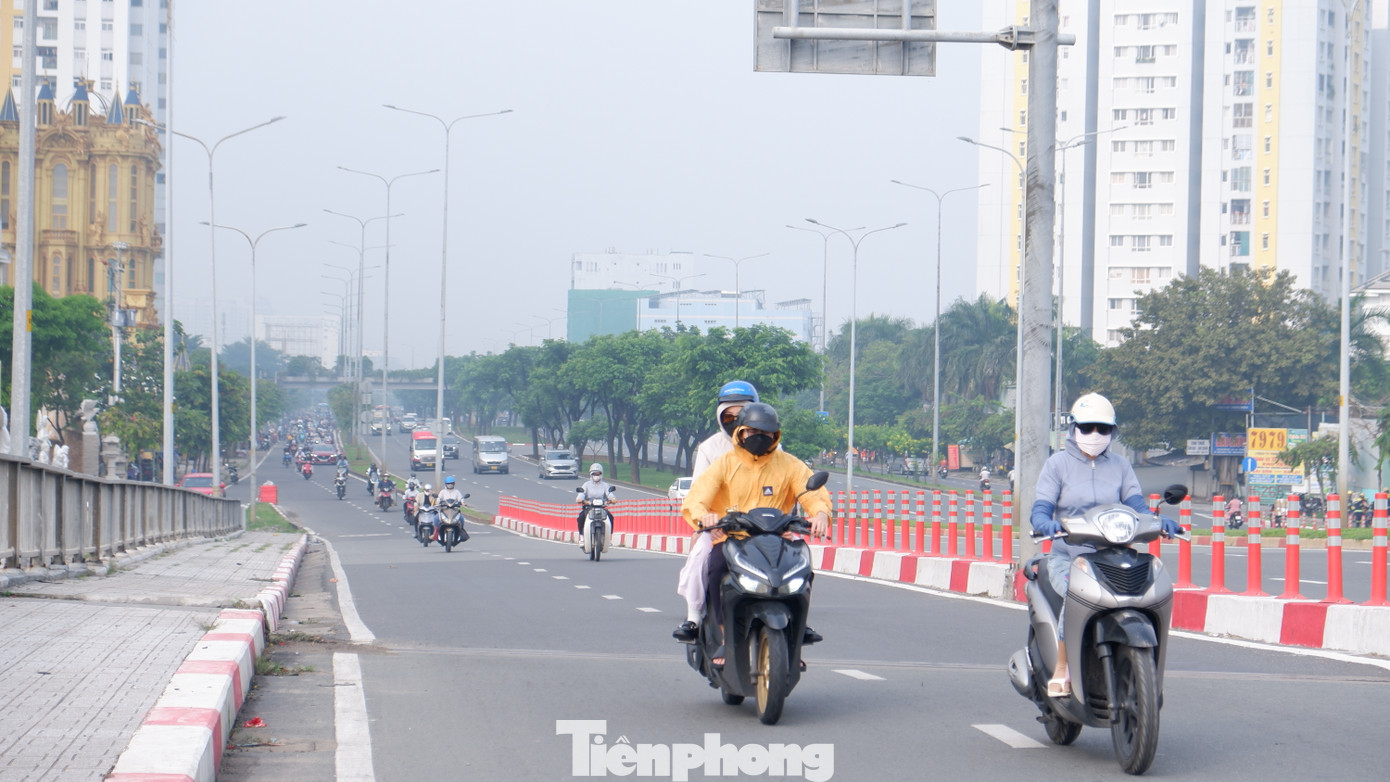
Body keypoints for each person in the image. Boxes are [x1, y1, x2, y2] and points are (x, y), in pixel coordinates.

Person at [1029, 392, 1180, 698]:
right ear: (1073, 428)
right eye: (1087, 428)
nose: (1095, 435)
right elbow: (1041, 508)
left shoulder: (1122, 466)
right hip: (1069, 556)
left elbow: (1137, 504)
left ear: (1113, 431)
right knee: (1075, 594)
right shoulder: (1057, 465)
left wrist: (1158, 521)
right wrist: (1045, 523)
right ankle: (1062, 667)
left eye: (1103, 429)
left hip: (1114, 554)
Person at [681, 402, 832, 666]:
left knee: (802, 567)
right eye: (752, 431)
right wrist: (704, 515)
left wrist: (820, 513)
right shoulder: (724, 464)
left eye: (767, 432)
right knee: (715, 567)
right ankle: (723, 637)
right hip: (731, 537)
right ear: (740, 432)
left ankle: (798, 629)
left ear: (776, 435)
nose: (759, 437)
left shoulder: (789, 464)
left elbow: (811, 491)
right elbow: (698, 496)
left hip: (777, 537)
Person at [674, 380, 759, 641]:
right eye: (729, 415)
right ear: (720, 416)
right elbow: (699, 490)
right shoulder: (711, 449)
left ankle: (796, 619)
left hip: (762, 526)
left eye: (742, 414)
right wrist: (704, 516)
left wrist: (816, 513)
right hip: (721, 526)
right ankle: (694, 617)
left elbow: (795, 484)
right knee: (703, 559)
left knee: (799, 557)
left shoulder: (771, 446)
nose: (735, 420)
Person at [575, 464, 616, 543]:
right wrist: (582, 500)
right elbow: (581, 495)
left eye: (598, 474)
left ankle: (608, 537)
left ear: (601, 474)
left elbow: (609, 494)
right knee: (580, 517)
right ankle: (582, 538)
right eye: (594, 474)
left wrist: (612, 499)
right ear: (591, 474)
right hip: (589, 507)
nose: (596, 476)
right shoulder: (586, 485)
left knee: (610, 517)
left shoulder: (605, 485)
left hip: (601, 508)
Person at [432, 476, 465, 540]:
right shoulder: (443, 492)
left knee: (461, 518)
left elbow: (461, 499)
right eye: (448, 484)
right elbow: (438, 499)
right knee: (436, 518)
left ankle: (461, 532)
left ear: (454, 484)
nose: (450, 485)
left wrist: (462, 502)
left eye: (451, 483)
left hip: (454, 510)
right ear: (445, 484)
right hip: (444, 510)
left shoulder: (457, 492)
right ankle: (436, 533)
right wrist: (437, 503)